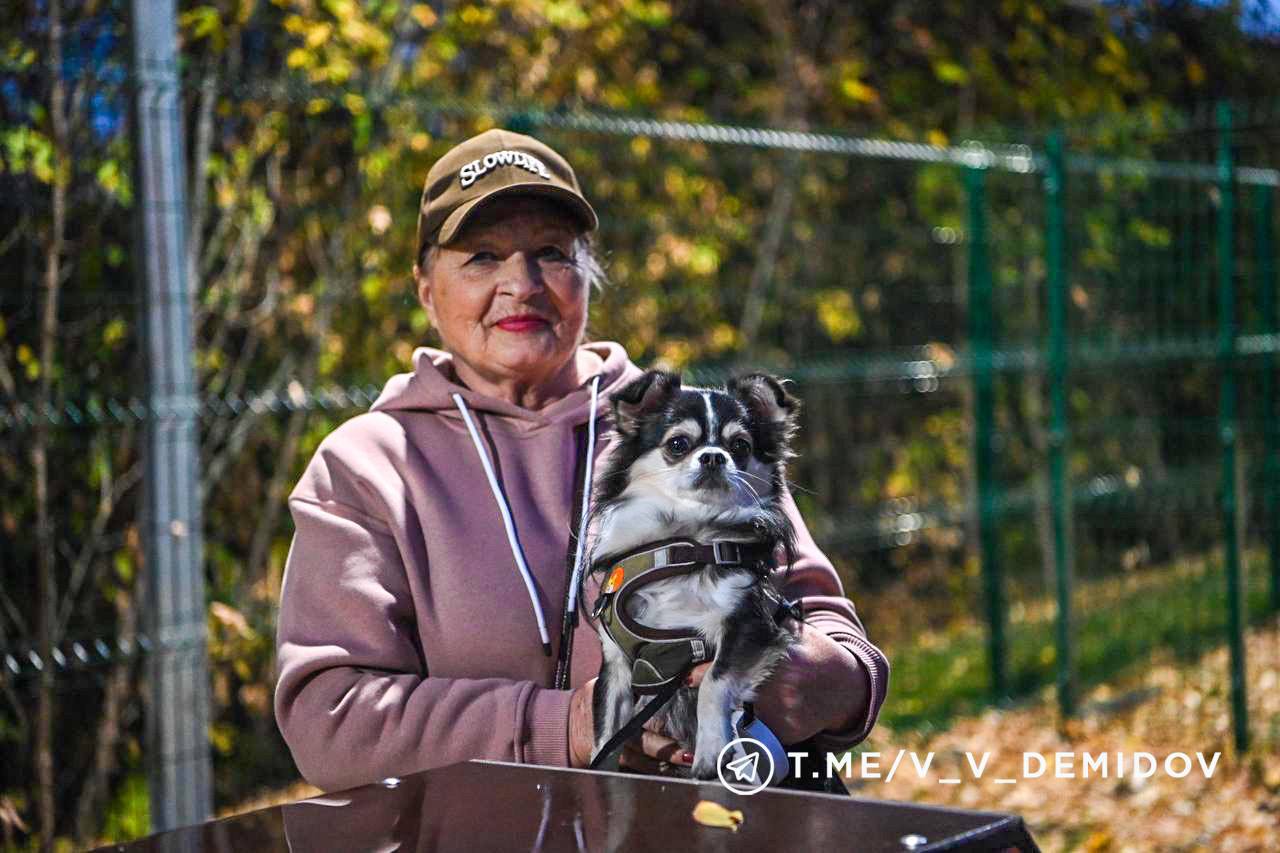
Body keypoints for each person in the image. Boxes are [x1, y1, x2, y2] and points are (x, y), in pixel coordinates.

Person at [273, 128, 890, 792]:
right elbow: (330, 721)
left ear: (588, 271)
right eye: (482, 256)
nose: (522, 283)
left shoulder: (688, 431)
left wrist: (832, 681)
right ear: (425, 288)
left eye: (549, 253)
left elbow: (828, 628)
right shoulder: (368, 467)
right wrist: (564, 725)